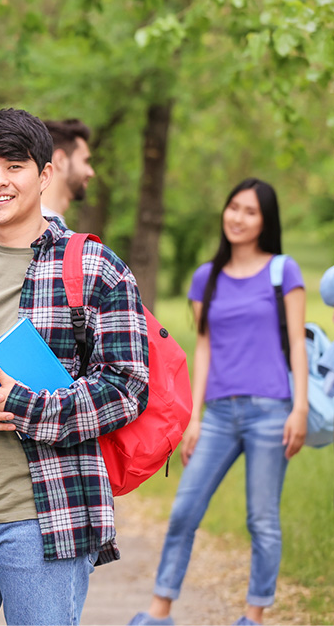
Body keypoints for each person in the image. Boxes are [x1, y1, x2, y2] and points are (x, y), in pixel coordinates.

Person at [0, 108, 149, 625]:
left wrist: (26, 408)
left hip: (47, 518)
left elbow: (127, 385)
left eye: (15, 166)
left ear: (44, 174)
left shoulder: (93, 266)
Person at [130, 178, 308, 626]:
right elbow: (205, 348)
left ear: (265, 220)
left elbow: (297, 344)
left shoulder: (282, 271)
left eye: (250, 211)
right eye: (233, 207)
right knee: (185, 509)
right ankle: (159, 611)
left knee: (261, 519)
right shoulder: (205, 278)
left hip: (272, 410)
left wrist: (300, 408)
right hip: (220, 415)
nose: (238, 217)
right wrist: (194, 418)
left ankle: (253, 615)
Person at [40, 118, 95, 225]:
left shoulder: (56, 229)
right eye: (85, 161)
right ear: (60, 160)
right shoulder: (32, 230)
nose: (91, 172)